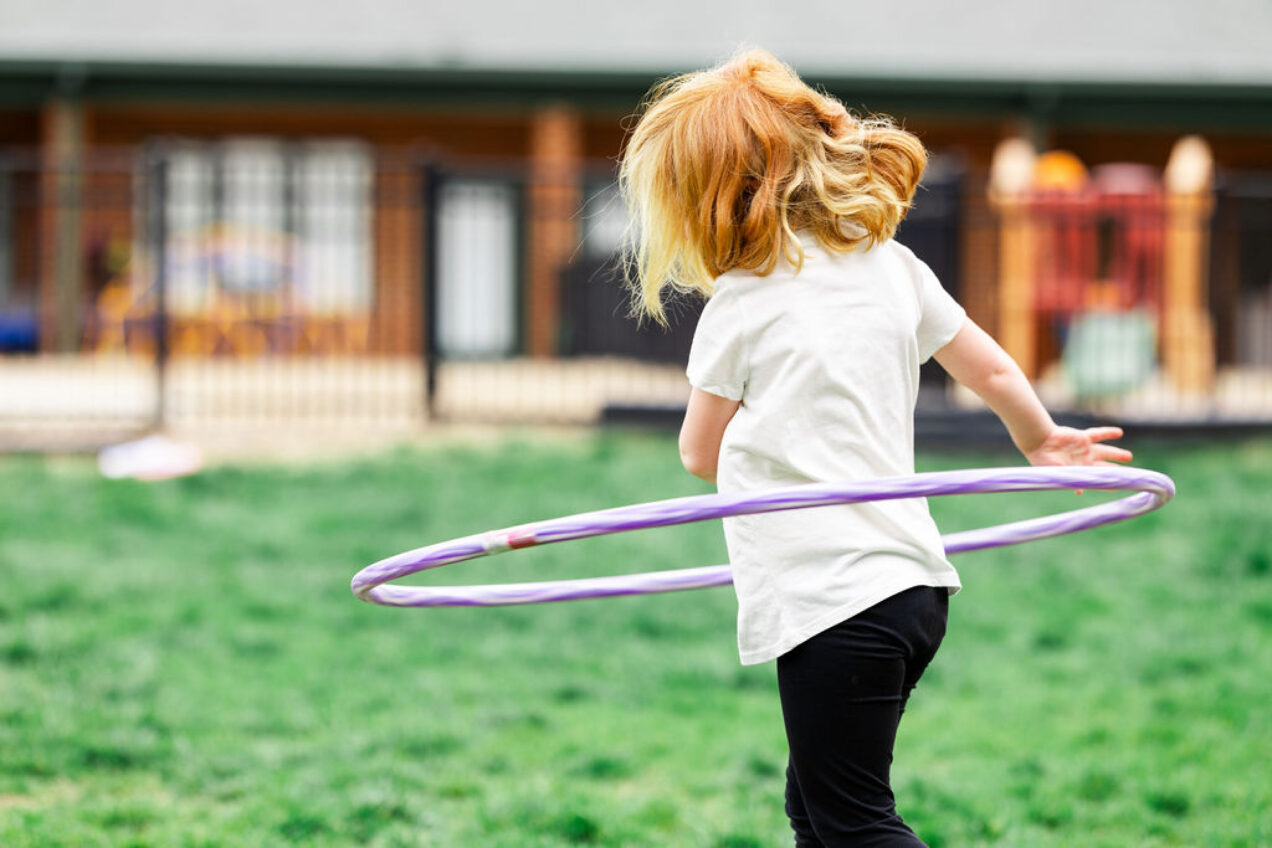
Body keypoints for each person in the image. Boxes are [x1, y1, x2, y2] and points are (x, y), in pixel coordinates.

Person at [619, 49, 1132, 847]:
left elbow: (696, 453)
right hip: (913, 591)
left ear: (711, 198)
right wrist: (1041, 439)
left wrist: (770, 476)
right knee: (817, 809)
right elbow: (989, 367)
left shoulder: (744, 305)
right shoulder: (891, 267)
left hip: (833, 602)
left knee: (855, 822)